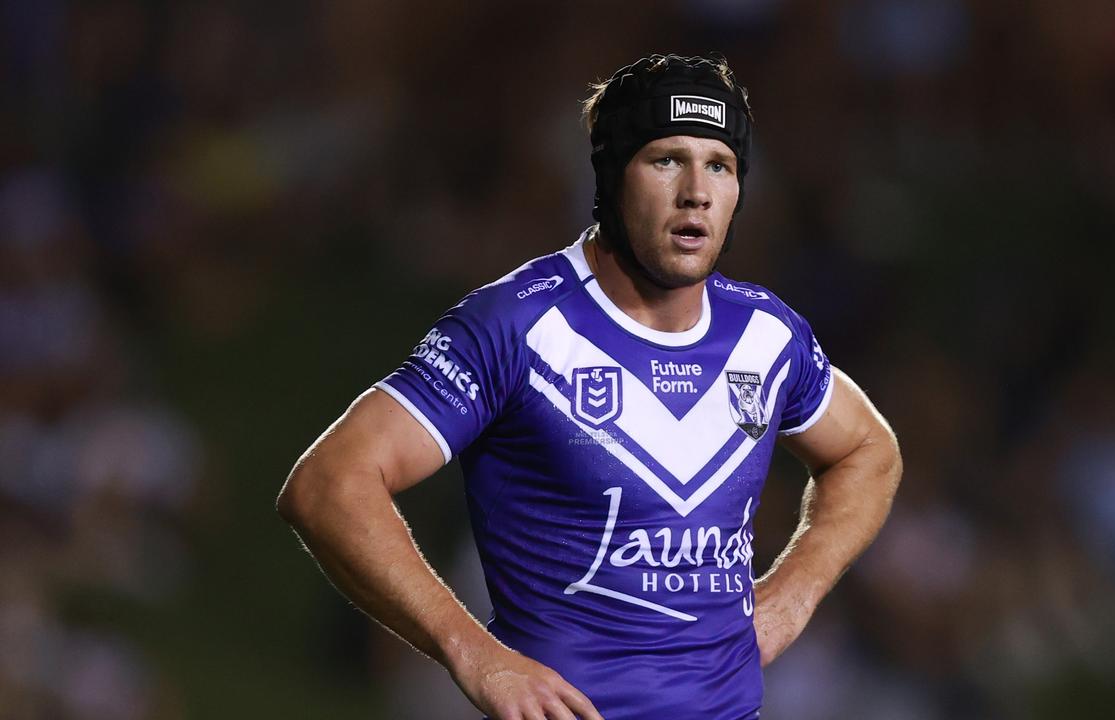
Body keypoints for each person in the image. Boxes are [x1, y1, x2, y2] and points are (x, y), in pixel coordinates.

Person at [277, 53, 902, 720]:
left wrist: (791, 596)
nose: (696, 190)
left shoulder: (767, 334)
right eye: (666, 159)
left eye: (719, 165)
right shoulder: (516, 325)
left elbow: (870, 451)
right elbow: (327, 484)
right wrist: (473, 651)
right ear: (609, 176)